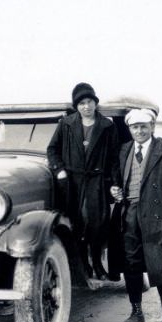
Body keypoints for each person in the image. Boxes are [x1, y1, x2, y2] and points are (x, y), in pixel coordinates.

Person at [110, 108, 162, 322]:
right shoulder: (124, 150)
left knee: (161, 264)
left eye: (144, 126)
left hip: (157, 217)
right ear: (130, 129)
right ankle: (136, 312)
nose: (140, 131)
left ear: (152, 127)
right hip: (129, 214)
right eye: (135, 127)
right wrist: (115, 190)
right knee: (131, 264)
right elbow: (117, 179)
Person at [47, 82, 120, 280]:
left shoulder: (107, 126)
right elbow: (52, 149)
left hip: (97, 181)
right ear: (76, 106)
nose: (86, 106)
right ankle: (83, 265)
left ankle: (96, 262)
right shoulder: (66, 124)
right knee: (76, 223)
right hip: (73, 182)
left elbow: (114, 158)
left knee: (98, 223)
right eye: (81, 103)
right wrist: (59, 170)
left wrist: (115, 182)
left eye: (89, 102)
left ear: (95, 103)